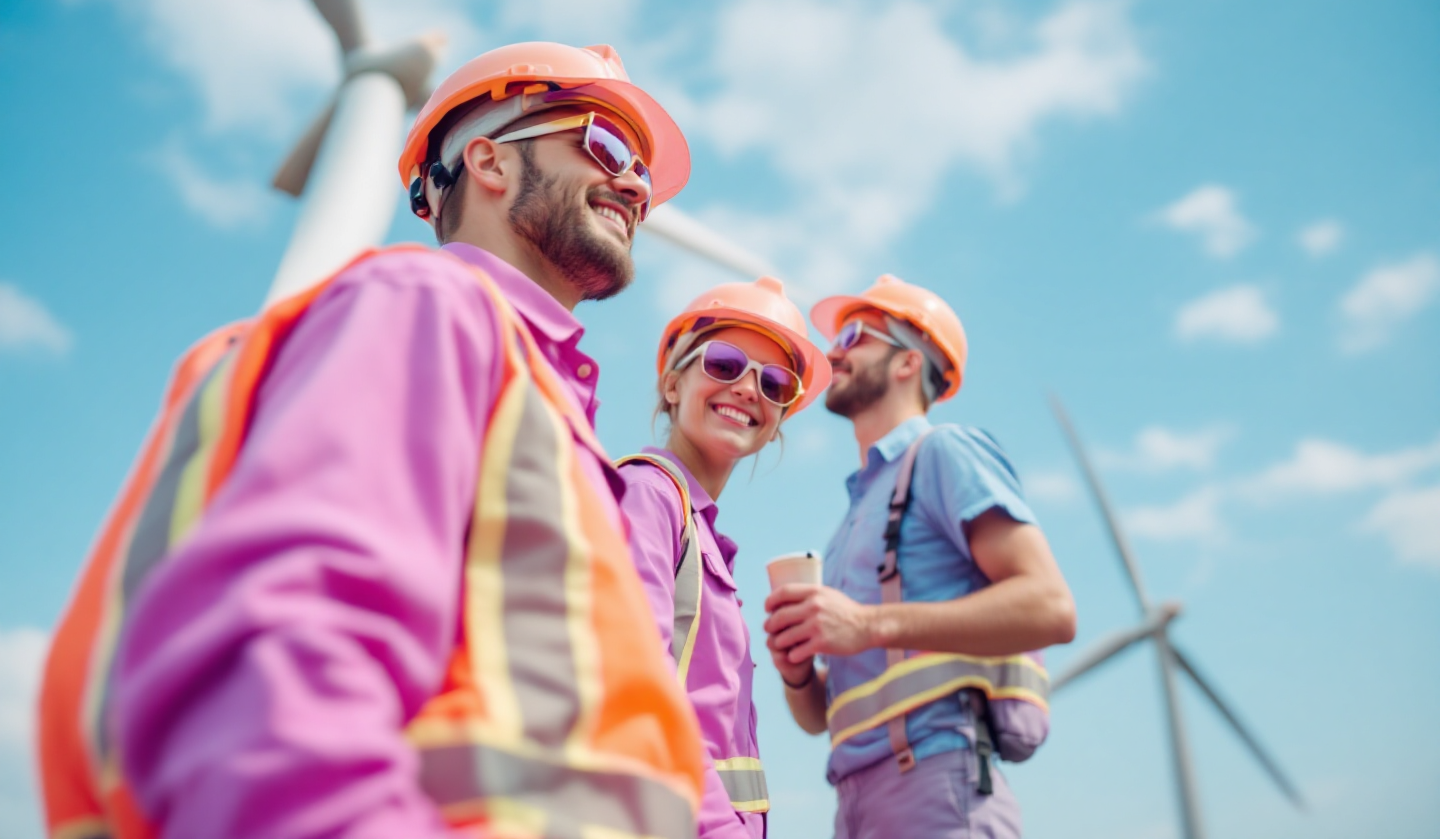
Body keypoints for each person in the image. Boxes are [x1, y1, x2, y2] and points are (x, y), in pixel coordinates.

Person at [37, 42, 708, 839]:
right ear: (489, 162)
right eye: (605, 144)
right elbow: (276, 679)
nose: (635, 183)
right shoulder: (427, 308)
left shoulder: (541, 402)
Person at [762, 275, 1077, 839]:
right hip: (855, 804)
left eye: (855, 334)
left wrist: (866, 623)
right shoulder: (851, 520)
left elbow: (1052, 607)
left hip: (937, 785)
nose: (833, 351)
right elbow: (817, 720)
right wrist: (796, 674)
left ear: (909, 363)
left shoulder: (944, 453)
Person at [617, 278, 832, 839]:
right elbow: (636, 676)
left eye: (775, 381)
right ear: (671, 384)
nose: (747, 388)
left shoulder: (696, 525)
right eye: (724, 363)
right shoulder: (649, 495)